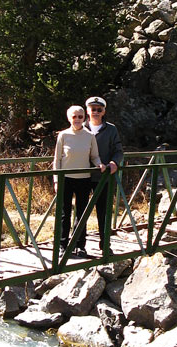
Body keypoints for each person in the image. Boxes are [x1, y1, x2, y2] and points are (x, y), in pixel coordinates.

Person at [53, 105, 104, 258]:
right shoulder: (63, 135)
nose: (77, 119)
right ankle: (62, 246)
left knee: (81, 214)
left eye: (80, 117)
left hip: (84, 179)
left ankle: (80, 246)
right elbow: (57, 159)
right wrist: (56, 180)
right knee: (64, 214)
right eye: (74, 116)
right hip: (66, 179)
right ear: (69, 118)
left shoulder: (89, 136)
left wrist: (100, 164)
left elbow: (94, 156)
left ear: (84, 118)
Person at [83, 96, 124, 253]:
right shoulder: (80, 127)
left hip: (103, 177)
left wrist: (114, 162)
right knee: (81, 212)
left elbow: (118, 150)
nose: (95, 112)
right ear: (87, 110)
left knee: (104, 212)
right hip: (83, 177)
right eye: (93, 109)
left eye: (99, 109)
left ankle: (105, 244)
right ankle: (79, 246)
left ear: (104, 111)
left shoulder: (111, 129)